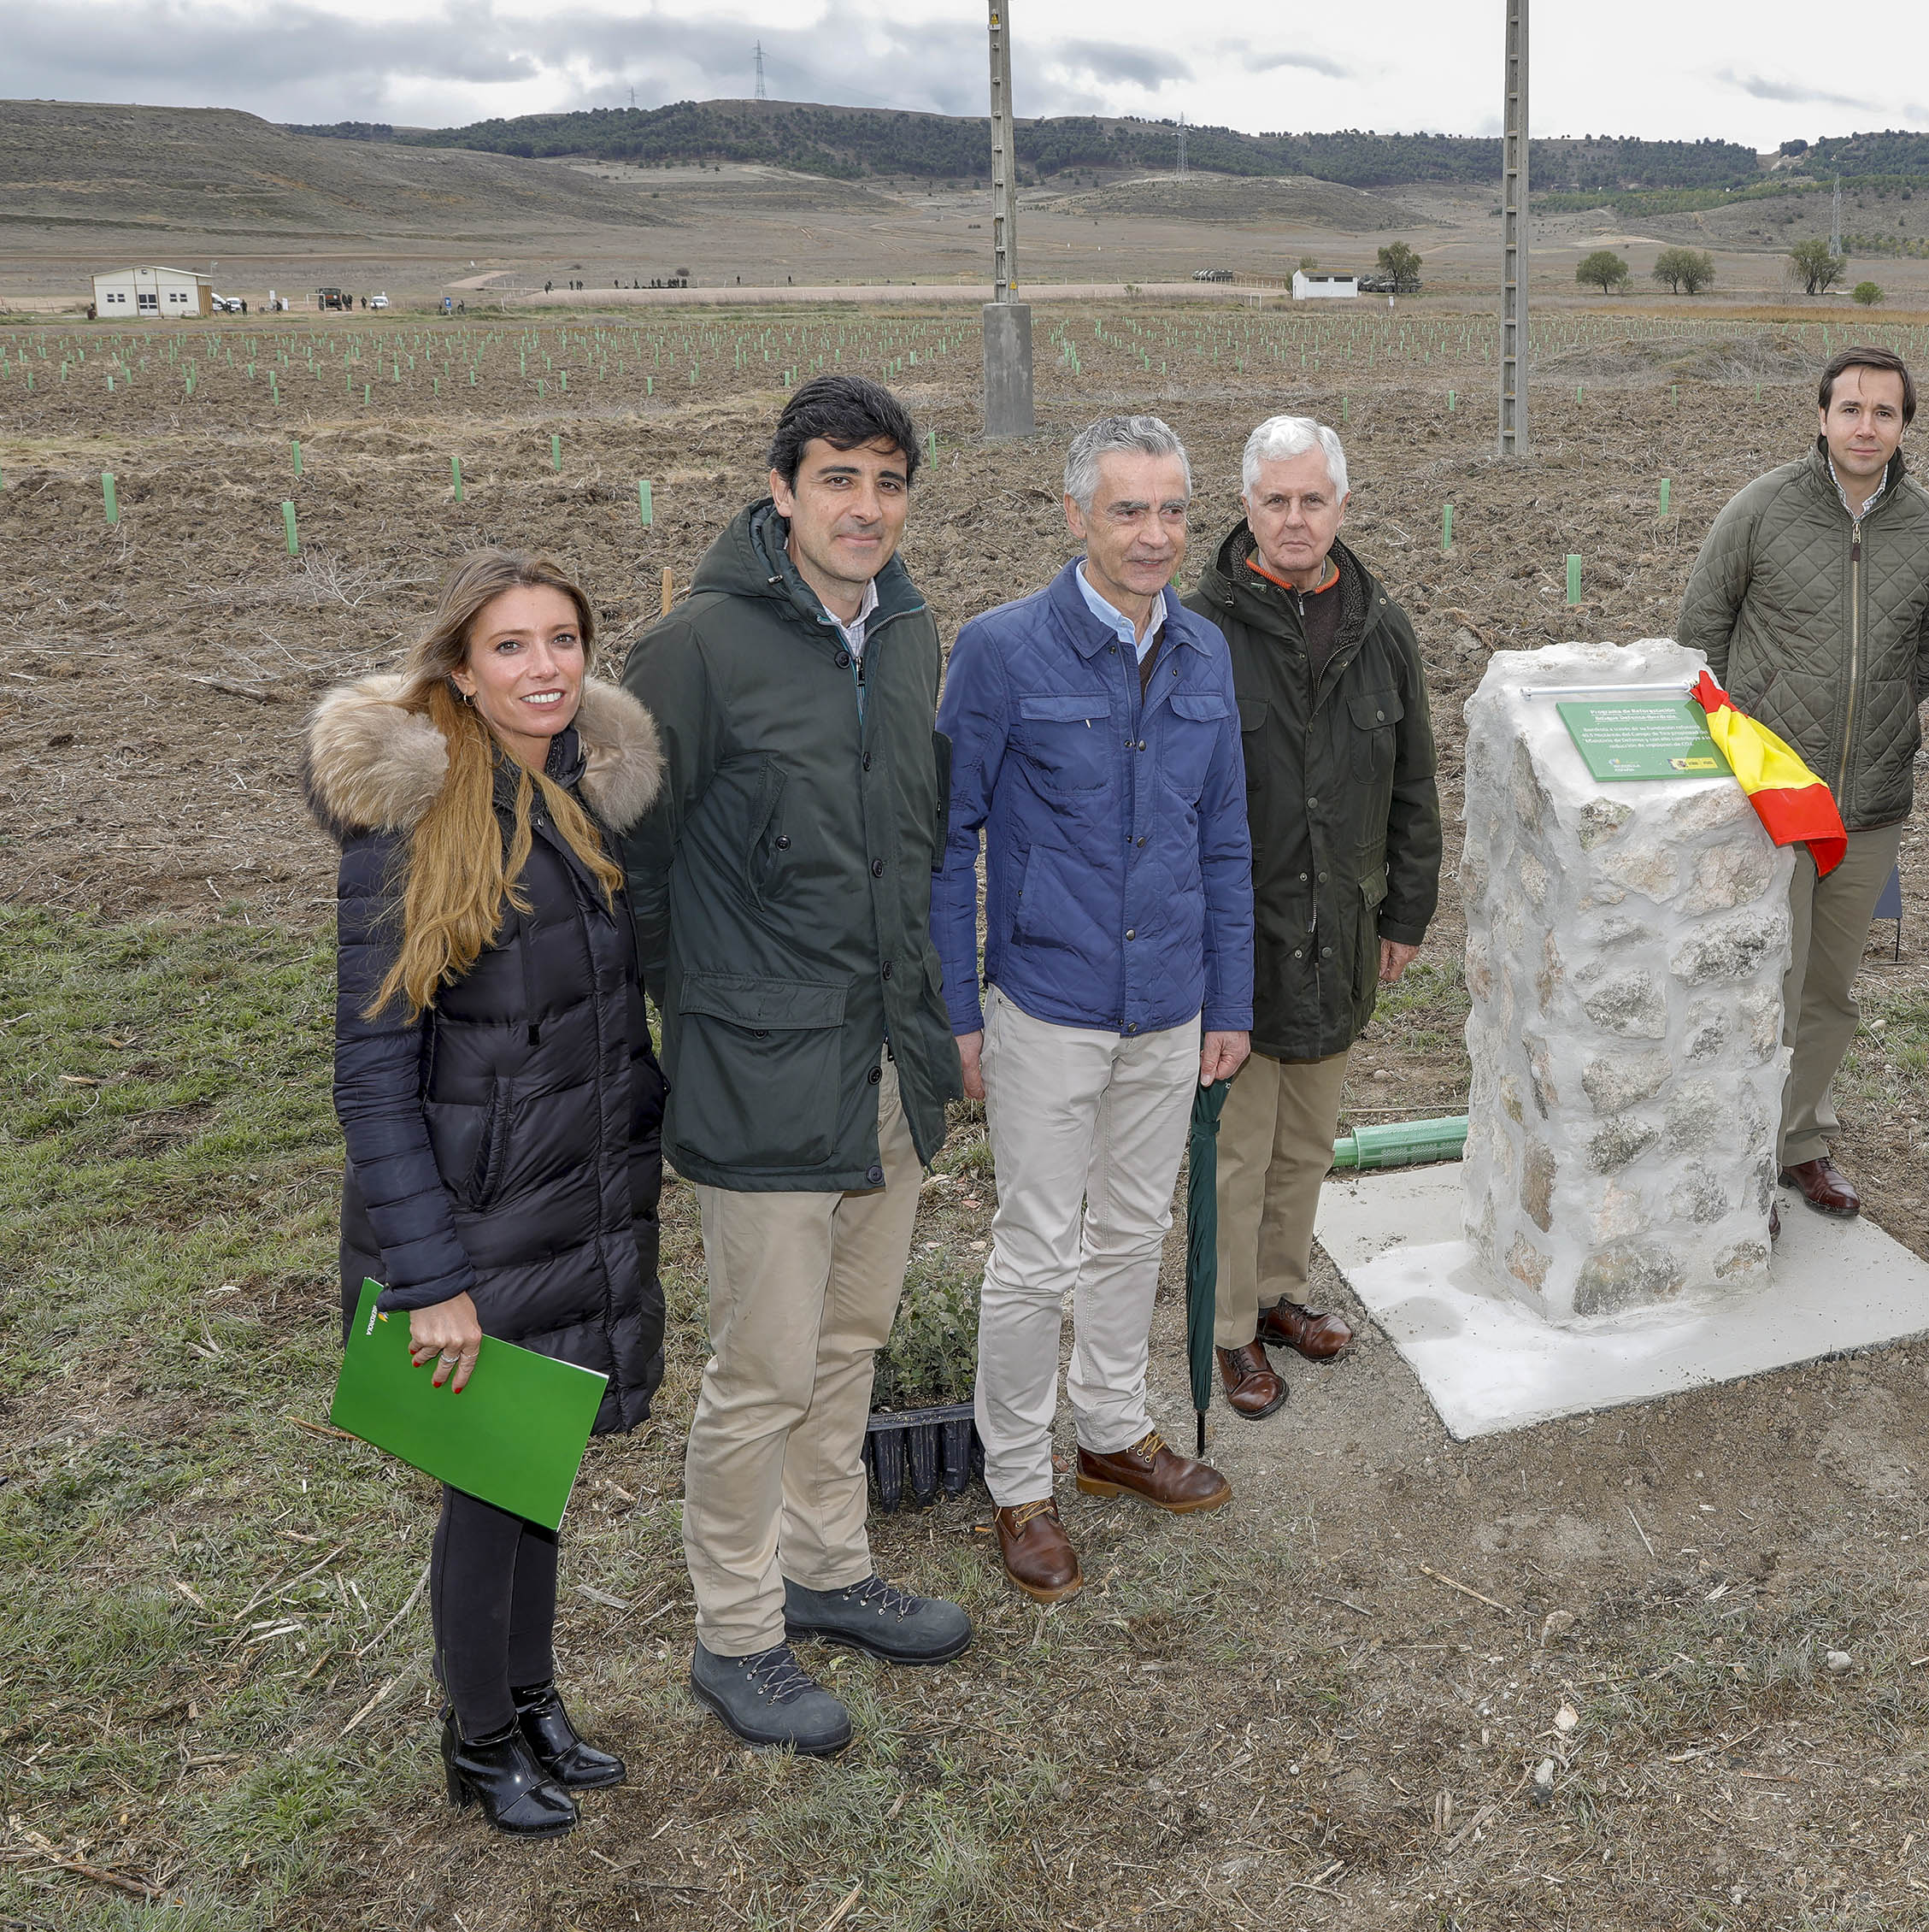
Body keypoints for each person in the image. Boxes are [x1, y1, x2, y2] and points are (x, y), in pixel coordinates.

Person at [620, 376, 973, 1758]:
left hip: (885, 1062)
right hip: (763, 1071)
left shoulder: (907, 637)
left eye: (888, 482)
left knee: (849, 1342)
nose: (865, 508)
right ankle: (735, 1633)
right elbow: (633, 866)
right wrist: (699, 1021)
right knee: (760, 1369)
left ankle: (829, 1569)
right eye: (838, 479)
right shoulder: (697, 649)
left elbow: (914, 848)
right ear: (781, 490)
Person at [313, 550, 666, 1836]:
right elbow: (372, 1076)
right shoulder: (413, 825)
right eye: (510, 646)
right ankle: (476, 1738)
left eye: (562, 640)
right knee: (486, 1487)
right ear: (459, 666)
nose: (544, 669)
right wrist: (429, 1278)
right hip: (470, 1227)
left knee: (540, 1466)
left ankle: (532, 1698)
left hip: (569, 1206)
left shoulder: (576, 798)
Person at [935, 415, 1255, 1605]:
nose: (1154, 535)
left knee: (1130, 1229)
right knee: (1031, 1252)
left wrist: (1230, 993)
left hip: (1169, 1004)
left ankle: (1112, 1432)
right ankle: (1018, 1482)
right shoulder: (1002, 651)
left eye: (1173, 511)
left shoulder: (1205, 656)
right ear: (1075, 516)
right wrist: (956, 1007)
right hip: (1050, 1003)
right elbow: (945, 837)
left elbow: (1224, 835)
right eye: (1127, 511)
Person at [1181, 416, 1439, 1420]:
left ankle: (1283, 1292)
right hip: (1238, 944)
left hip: (1342, 929)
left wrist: (1406, 908)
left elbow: (1415, 781)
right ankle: (1229, 1330)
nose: (1295, 519)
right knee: (1236, 1149)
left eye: (1313, 500)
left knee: (1308, 1139)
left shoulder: (1383, 629)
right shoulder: (1199, 632)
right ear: (1246, 508)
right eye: (1276, 501)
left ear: (1343, 506)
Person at [1677, 346, 1929, 1221]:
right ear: (1822, 417)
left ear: (1904, 424)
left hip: (1871, 805)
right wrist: (1747, 744)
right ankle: (1732, 1154)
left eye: (1884, 411)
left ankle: (1800, 1141)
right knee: (1760, 984)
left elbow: (1928, 654)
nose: (1865, 425)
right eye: (1850, 409)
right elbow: (1700, 633)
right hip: (1770, 807)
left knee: (1830, 988)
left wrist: (1868, 718)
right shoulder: (1760, 511)